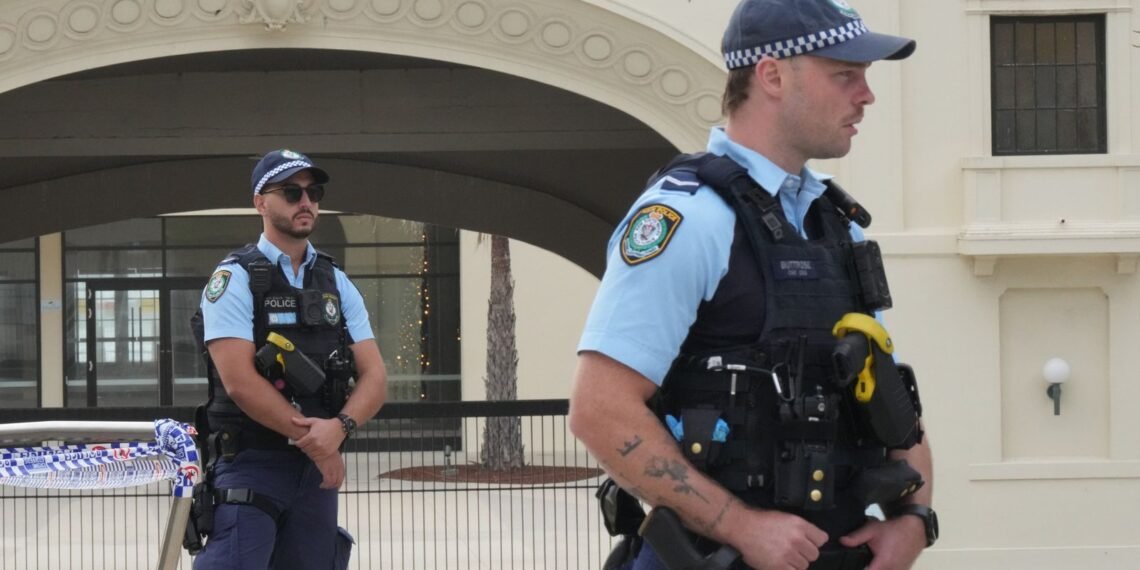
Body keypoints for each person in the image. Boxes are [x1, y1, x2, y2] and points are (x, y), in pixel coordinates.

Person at [569, 1, 936, 569]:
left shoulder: (830, 222)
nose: (866, 95)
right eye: (844, 75)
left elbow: (886, 390)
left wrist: (914, 520)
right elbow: (599, 409)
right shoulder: (689, 218)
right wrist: (741, 526)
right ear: (771, 75)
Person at [191, 149, 387, 570]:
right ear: (261, 202)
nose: (306, 201)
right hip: (251, 463)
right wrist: (319, 446)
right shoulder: (235, 278)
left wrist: (340, 428)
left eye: (314, 192)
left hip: (316, 472)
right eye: (291, 192)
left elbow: (375, 375)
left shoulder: (336, 281)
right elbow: (240, 382)